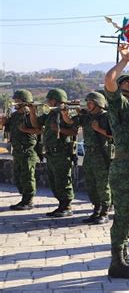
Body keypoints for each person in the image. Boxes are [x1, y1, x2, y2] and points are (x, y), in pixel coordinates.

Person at [103, 45, 129, 279]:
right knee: (125, 215)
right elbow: (109, 80)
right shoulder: (120, 104)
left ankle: (124, 257)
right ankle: (116, 262)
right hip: (124, 168)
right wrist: (124, 61)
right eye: (126, 82)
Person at [61, 92, 113, 225]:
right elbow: (71, 122)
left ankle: (105, 212)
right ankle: (96, 209)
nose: (88, 105)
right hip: (89, 154)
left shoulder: (106, 116)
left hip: (102, 154)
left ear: (98, 103)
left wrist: (98, 129)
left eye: (90, 102)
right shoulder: (87, 117)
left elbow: (113, 135)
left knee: (102, 184)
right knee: (91, 184)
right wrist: (64, 113)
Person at [33, 88, 77, 217]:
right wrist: (31, 111)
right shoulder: (50, 114)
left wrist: (60, 129)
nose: (47, 102)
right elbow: (36, 125)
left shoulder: (67, 113)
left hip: (62, 152)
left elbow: (74, 131)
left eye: (49, 100)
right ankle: (61, 204)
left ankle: (67, 206)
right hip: (51, 152)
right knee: (54, 181)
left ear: (55, 100)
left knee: (63, 179)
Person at [3, 89, 41, 210]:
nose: (15, 103)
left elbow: (39, 130)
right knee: (18, 176)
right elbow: (7, 130)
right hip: (17, 151)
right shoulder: (14, 116)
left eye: (17, 101)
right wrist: (4, 123)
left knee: (28, 176)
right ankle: (24, 198)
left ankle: (28, 200)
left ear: (25, 102)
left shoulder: (30, 116)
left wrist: (25, 130)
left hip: (27, 150)